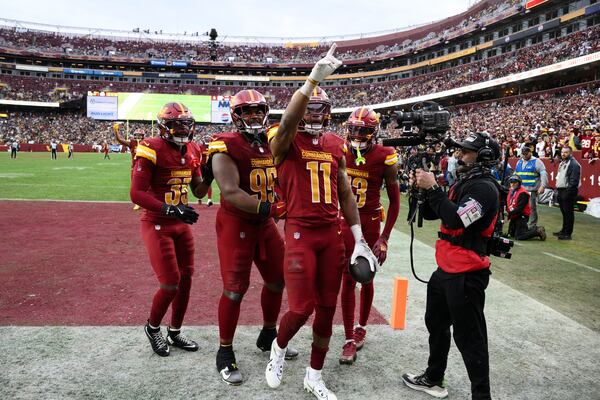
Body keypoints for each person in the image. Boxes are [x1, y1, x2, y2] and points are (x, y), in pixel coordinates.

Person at [265, 44, 378, 400]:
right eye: (308, 109)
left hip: (332, 234)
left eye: (319, 109)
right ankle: (278, 348)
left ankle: (314, 375)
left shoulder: (334, 143)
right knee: (301, 308)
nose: (313, 115)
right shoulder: (284, 140)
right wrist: (313, 79)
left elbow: (345, 190)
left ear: (328, 113)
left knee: (327, 310)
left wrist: (359, 237)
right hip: (300, 231)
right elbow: (286, 123)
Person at [207, 89, 297, 385]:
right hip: (238, 223)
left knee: (277, 279)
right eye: (247, 111)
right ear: (236, 116)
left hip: (265, 224)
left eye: (258, 110)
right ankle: (224, 350)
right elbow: (231, 192)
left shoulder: (270, 143)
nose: (254, 116)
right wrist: (271, 207)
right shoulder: (225, 144)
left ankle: (268, 332)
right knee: (235, 289)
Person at [402, 131, 501, 400]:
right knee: (436, 324)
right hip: (445, 270)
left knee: (470, 340)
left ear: (484, 157)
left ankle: (482, 396)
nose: (459, 155)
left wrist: (433, 188)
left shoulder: (485, 188)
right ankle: (434, 377)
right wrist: (420, 191)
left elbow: (457, 220)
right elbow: (437, 212)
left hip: (467, 273)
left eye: (466, 151)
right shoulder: (465, 183)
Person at [130, 102, 209, 357]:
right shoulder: (151, 147)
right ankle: (153, 328)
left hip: (180, 223)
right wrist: (169, 209)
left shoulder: (193, 148)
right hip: (157, 222)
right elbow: (136, 193)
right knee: (170, 283)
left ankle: (174, 332)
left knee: (186, 280)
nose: (183, 130)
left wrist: (209, 172)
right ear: (165, 126)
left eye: (186, 124)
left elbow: (198, 190)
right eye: (177, 125)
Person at [338, 107, 400, 365]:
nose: (357, 135)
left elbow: (395, 203)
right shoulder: (339, 150)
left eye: (363, 130)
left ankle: (361, 326)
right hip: (343, 222)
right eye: (353, 129)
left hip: (370, 222)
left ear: (373, 132)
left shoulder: (385, 156)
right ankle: (347, 337)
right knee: (346, 278)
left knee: (366, 276)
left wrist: (384, 237)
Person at [514, 146, 547, 227]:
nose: (524, 156)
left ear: (530, 152)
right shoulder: (519, 162)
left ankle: (532, 225)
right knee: (519, 207)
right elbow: (516, 174)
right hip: (520, 190)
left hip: (531, 190)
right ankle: (520, 224)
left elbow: (544, 174)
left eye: (526, 154)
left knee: (531, 208)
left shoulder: (537, 161)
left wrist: (543, 186)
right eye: (523, 154)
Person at [505, 175, 546, 241]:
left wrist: (508, 213)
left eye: (515, 182)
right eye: (511, 182)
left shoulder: (523, 193)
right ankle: (532, 229)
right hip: (514, 216)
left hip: (521, 216)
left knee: (519, 236)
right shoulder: (511, 191)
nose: (512, 184)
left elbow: (519, 209)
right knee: (511, 234)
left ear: (519, 183)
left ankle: (537, 231)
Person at [114, 125, 145, 210]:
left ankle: (147, 203)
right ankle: (138, 203)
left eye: (139, 135)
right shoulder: (132, 143)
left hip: (146, 168)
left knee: (148, 186)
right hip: (135, 167)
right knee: (135, 186)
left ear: (143, 136)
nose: (138, 137)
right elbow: (120, 140)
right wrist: (116, 131)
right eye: (136, 135)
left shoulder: (147, 143)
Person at [554, 146, 581, 240]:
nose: (563, 154)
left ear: (570, 153)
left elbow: (574, 181)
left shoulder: (574, 164)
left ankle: (567, 233)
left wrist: (568, 192)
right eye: (562, 152)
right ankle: (563, 230)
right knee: (564, 212)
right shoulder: (563, 163)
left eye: (565, 152)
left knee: (568, 213)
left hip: (568, 191)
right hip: (561, 190)